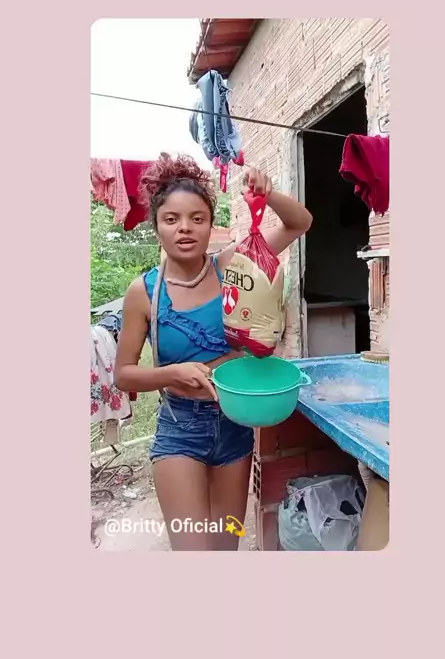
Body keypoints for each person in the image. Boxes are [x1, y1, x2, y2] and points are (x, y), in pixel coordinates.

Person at [115, 153, 312, 550]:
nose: (185, 228)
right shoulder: (144, 292)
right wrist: (172, 373)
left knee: (224, 549)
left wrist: (268, 194)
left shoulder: (234, 265)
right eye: (171, 219)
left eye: (197, 218)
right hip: (180, 428)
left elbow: (299, 223)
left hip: (234, 424)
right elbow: (124, 374)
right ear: (156, 226)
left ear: (210, 225)